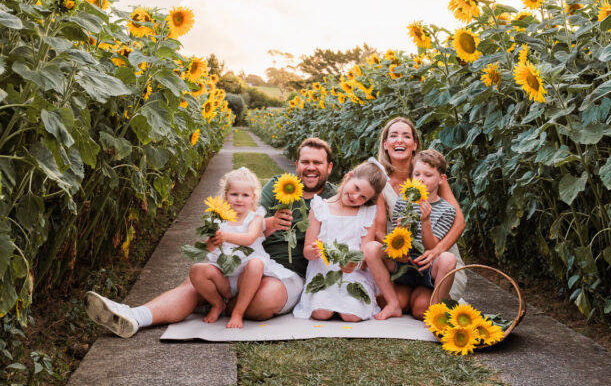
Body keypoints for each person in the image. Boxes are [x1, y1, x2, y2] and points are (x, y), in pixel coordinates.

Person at [84, 138, 335, 337]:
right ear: (297, 164)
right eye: (305, 161)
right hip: (248, 261)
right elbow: (248, 216)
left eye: (318, 163)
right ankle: (134, 316)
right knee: (197, 280)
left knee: (261, 303)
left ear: (329, 167)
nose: (310, 168)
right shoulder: (280, 184)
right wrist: (269, 223)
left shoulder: (335, 199)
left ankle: (213, 302)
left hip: (286, 273)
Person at [370, 115, 467, 300]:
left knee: (425, 306)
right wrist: (396, 249)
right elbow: (379, 231)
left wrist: (436, 251)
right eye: (394, 135)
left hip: (438, 255)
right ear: (385, 144)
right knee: (398, 301)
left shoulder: (431, 173)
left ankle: (433, 298)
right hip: (405, 256)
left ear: (414, 144)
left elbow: (460, 221)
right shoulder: (380, 180)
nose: (400, 140)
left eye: (406, 136)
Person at [188, 167, 294, 328]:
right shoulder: (218, 219)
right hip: (223, 274)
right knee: (197, 270)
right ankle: (218, 304)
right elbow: (209, 248)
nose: (239, 199)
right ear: (225, 196)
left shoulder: (255, 217)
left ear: (253, 198)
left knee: (256, 263)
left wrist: (225, 236)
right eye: (234, 194)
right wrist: (211, 241)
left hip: (247, 275)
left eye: (245, 195)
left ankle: (238, 311)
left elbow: (250, 238)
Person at [293, 161, 386, 322]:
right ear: (349, 177)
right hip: (323, 274)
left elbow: (363, 258)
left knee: (351, 315)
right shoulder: (320, 207)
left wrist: (353, 264)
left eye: (363, 197)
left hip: (353, 276)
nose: (355, 197)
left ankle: (352, 301)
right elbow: (307, 249)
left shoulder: (366, 214)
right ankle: (323, 299)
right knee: (321, 312)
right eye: (356, 188)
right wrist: (313, 251)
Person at [385, 150, 460, 320]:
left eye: (428, 175)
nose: (421, 179)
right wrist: (400, 231)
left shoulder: (447, 210)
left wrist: (425, 221)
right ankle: (406, 296)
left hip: (426, 267)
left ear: (441, 179)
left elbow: (433, 249)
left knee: (421, 311)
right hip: (404, 265)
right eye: (417, 174)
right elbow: (397, 240)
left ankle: (436, 310)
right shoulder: (404, 201)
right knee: (400, 303)